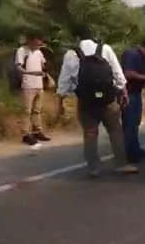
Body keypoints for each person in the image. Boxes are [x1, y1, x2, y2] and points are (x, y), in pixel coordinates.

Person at [56, 29, 139, 177]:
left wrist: (62, 99)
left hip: (86, 102)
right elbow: (117, 72)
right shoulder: (105, 49)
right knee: (115, 131)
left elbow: (64, 80)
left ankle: (93, 168)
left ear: (78, 38)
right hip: (108, 100)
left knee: (90, 133)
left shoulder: (71, 54)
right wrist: (123, 91)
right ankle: (121, 164)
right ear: (95, 37)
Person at [16, 32, 51, 146]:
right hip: (28, 84)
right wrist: (31, 73)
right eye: (36, 42)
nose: (38, 44)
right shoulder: (22, 51)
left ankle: (37, 131)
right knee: (27, 110)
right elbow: (18, 67)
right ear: (30, 41)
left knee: (37, 110)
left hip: (39, 84)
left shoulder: (39, 52)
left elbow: (44, 65)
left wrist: (45, 73)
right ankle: (26, 133)